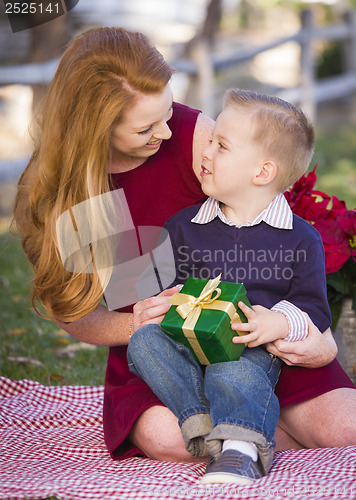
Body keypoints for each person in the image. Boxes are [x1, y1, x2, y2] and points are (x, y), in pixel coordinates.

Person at [12, 27, 356, 466]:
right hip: (166, 354)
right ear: (94, 126)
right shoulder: (71, 194)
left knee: (345, 427)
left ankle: (245, 431)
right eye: (145, 127)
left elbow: (268, 215)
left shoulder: (195, 138)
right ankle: (245, 435)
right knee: (164, 438)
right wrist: (135, 325)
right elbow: (76, 314)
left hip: (254, 335)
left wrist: (308, 335)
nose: (167, 131)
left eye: (168, 111)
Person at [126, 89, 332, 484]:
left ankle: (241, 453)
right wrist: (159, 300)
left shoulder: (299, 238)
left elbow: (313, 307)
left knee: (231, 371)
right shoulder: (184, 225)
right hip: (189, 342)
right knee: (145, 343)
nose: (205, 152)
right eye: (210, 140)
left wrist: (278, 323)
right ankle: (202, 425)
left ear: (262, 173)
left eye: (221, 146)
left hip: (249, 346)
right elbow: (157, 286)